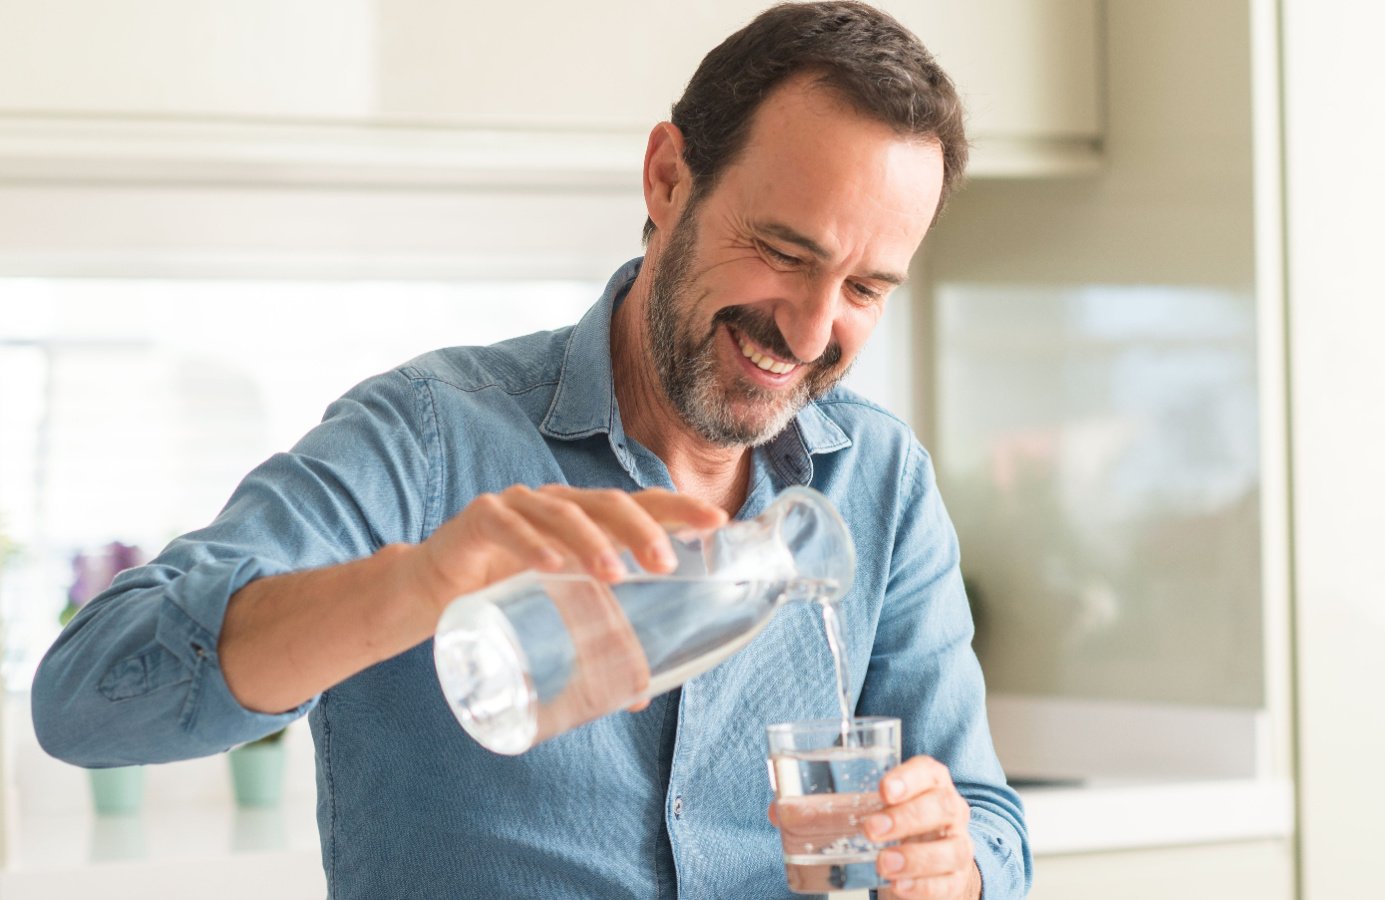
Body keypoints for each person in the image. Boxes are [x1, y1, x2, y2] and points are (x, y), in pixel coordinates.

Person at [32, 3, 1031, 897]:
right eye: (784, 253)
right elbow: (86, 699)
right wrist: (416, 586)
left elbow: (987, 822)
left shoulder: (881, 481)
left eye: (864, 290)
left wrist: (955, 864)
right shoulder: (430, 439)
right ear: (668, 178)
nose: (812, 333)